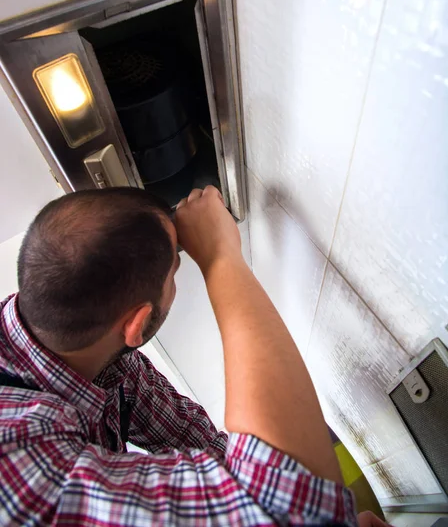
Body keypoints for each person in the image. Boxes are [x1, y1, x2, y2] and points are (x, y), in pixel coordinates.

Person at [0, 185, 388, 526]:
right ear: (137, 324)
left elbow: (192, 438)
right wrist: (221, 258)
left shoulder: (100, 354)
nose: (178, 277)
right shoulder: (19, 465)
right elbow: (289, 506)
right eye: (176, 269)